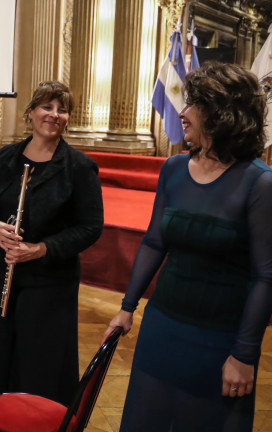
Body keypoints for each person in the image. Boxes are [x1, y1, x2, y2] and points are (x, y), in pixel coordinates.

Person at [104, 62, 272, 432]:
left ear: (221, 113)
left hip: (219, 338)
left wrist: (244, 354)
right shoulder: (174, 169)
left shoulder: (260, 183)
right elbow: (153, 241)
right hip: (162, 325)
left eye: (193, 103)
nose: (181, 111)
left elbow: (266, 276)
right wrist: (126, 308)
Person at [0, 81, 104, 429]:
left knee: (39, 361)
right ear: (31, 112)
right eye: (47, 107)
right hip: (0, 274)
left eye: (62, 109)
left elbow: (90, 227)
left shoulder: (78, 167)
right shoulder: (8, 157)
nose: (54, 115)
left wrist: (40, 249)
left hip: (48, 283)